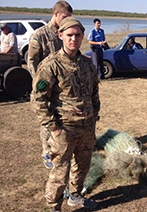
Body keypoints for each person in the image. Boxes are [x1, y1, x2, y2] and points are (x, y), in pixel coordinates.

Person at [31, 17, 101, 212]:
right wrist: (54, 127)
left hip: (86, 128)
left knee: (83, 166)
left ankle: (76, 196)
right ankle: (54, 210)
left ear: (82, 37)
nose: (73, 39)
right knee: (59, 172)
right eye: (69, 35)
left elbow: (94, 92)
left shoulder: (88, 63)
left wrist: (94, 115)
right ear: (60, 35)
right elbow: (38, 99)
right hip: (63, 130)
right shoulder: (51, 65)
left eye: (77, 35)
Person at [27, 0, 73, 169]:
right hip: (46, 87)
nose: (67, 21)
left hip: (63, 88)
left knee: (63, 119)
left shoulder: (64, 34)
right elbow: (32, 61)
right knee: (47, 121)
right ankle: (47, 152)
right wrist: (39, 85)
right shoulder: (40, 35)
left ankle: (62, 148)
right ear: (56, 14)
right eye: (65, 17)